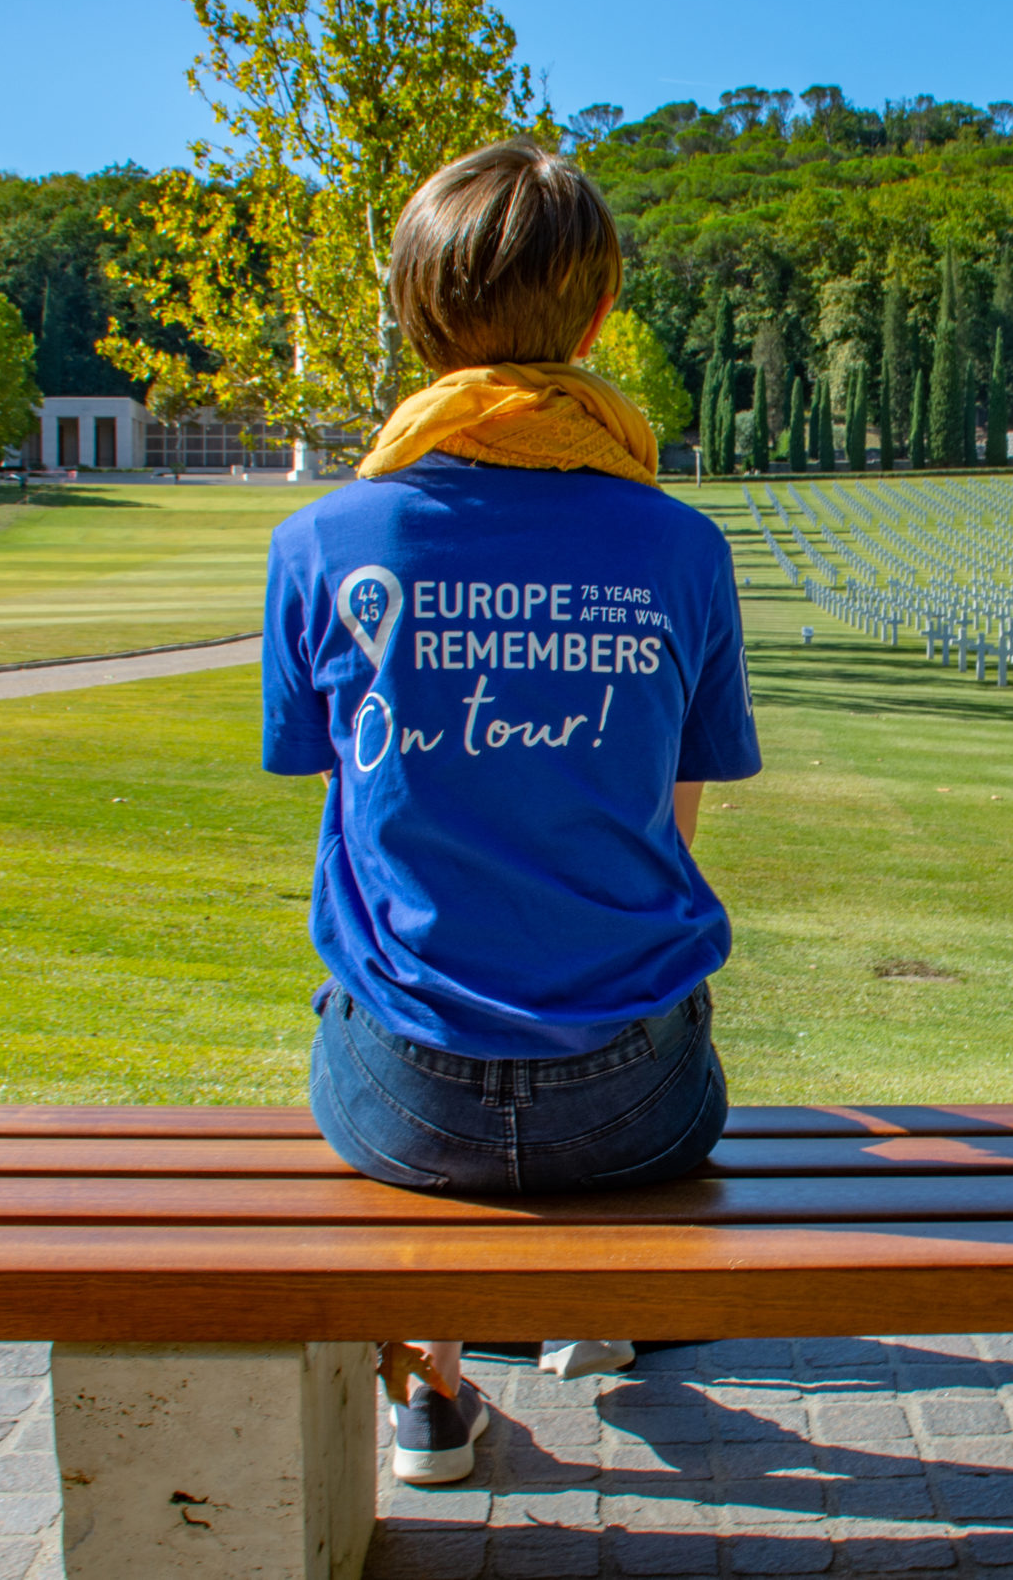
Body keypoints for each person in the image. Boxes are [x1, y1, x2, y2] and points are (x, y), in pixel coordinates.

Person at [260, 137, 760, 1485]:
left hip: (401, 1104)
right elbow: (673, 828)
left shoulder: (319, 545)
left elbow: (346, 796)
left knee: (361, 980)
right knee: (646, 989)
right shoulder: (682, 548)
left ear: (415, 321)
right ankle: (595, 1302)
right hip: (635, 1110)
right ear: (598, 321)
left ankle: (429, 1390)